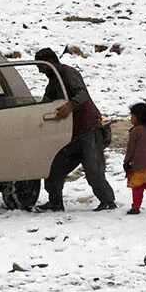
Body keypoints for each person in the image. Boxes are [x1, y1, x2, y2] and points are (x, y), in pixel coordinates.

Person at [34, 48, 115, 212]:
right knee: (56, 166)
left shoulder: (69, 74)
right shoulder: (54, 80)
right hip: (70, 132)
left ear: (51, 62)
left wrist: (69, 106)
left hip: (88, 128)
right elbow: (46, 100)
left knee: (93, 168)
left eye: (42, 68)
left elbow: (82, 94)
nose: (41, 72)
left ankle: (108, 201)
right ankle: (55, 202)